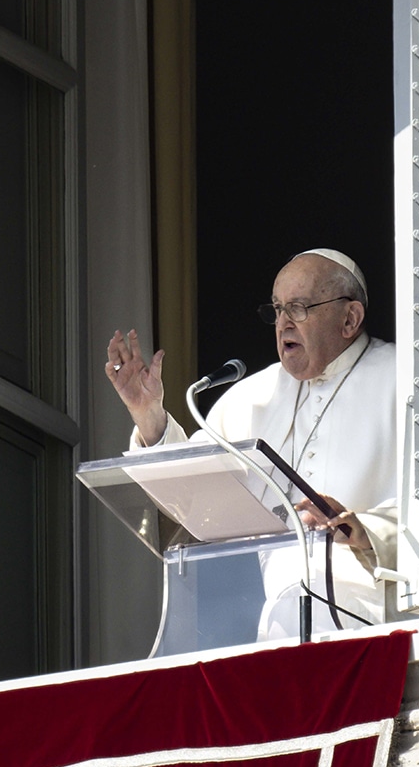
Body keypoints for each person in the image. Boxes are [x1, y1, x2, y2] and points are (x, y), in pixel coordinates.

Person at [103, 248, 396, 631]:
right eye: (277, 309)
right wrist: (150, 416)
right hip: (273, 624)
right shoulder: (249, 398)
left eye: (299, 307)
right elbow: (190, 502)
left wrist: (365, 529)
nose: (283, 323)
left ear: (349, 318)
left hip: (375, 615)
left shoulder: (403, 380)